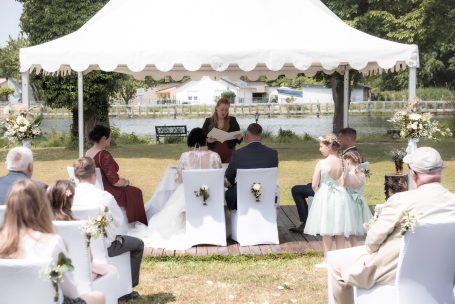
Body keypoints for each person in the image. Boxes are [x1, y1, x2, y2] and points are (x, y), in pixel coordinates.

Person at [329, 147, 455, 304]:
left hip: (393, 270)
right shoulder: (452, 202)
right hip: (443, 271)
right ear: (440, 172)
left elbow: (372, 243)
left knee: (336, 265)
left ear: (413, 174)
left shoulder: (401, 201)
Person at [0, 179, 105, 304]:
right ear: (41, 206)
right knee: (99, 297)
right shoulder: (53, 242)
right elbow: (71, 292)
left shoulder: (3, 242)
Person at [129, 127, 222, 250]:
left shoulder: (185, 156)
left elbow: (179, 179)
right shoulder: (214, 156)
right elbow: (219, 177)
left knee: (177, 199)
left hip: (189, 194)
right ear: (205, 140)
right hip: (210, 194)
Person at [73, 157, 144, 301]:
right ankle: (128, 289)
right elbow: (118, 221)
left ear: (75, 175)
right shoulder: (104, 197)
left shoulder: (69, 197)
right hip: (106, 247)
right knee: (138, 244)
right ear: (94, 174)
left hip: (77, 247)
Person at [289, 127, 362, 233]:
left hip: (332, 192)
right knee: (309, 185)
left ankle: (306, 222)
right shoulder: (354, 154)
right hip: (341, 189)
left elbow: (341, 178)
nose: (339, 141)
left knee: (296, 190)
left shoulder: (348, 156)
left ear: (347, 139)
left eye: (340, 138)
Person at [303, 134, 357, 264]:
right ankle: (339, 258)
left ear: (329, 147)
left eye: (321, 146)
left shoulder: (321, 163)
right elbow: (346, 183)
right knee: (339, 229)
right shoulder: (344, 162)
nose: (319, 149)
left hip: (326, 196)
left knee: (326, 230)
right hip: (341, 197)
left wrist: (320, 193)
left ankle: (328, 259)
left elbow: (314, 185)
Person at [85, 125, 147, 225]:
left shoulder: (88, 153)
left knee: (133, 191)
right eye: (110, 137)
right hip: (110, 191)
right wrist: (127, 182)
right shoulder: (104, 155)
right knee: (136, 192)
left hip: (98, 187)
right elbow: (115, 182)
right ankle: (134, 224)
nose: (110, 139)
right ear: (104, 138)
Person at [225, 123, 278, 210]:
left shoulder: (238, 154)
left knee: (230, 192)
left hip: (242, 197)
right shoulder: (273, 154)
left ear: (247, 136)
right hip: (266, 195)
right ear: (261, 136)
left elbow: (229, 178)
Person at [342, 150, 372, 247]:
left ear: (348, 162)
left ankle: (354, 247)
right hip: (360, 202)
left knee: (351, 230)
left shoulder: (349, 175)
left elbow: (344, 186)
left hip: (350, 203)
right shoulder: (362, 175)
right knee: (356, 227)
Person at [202, 97, 243, 163]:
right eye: (222, 110)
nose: (224, 112)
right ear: (216, 108)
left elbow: (240, 139)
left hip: (229, 154)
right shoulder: (208, 121)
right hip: (213, 154)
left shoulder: (232, 120)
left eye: (226, 110)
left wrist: (239, 137)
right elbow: (201, 138)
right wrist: (208, 140)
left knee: (228, 172)